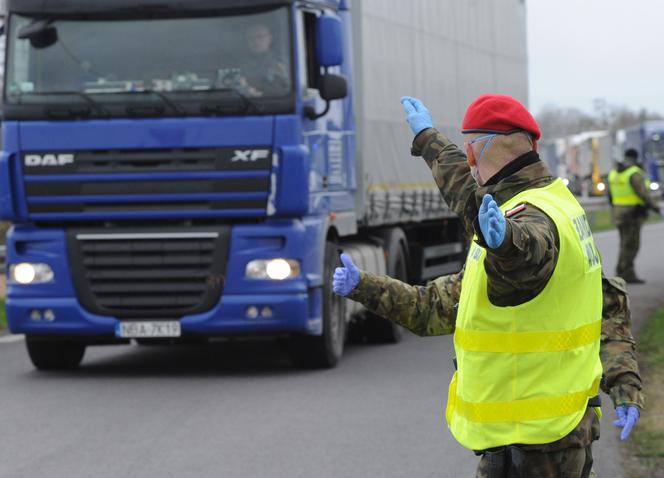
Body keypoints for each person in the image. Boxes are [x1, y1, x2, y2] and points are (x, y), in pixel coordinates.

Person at [333, 94, 644, 477]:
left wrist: (506, 245)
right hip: (557, 433)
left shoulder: (528, 218)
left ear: (477, 151)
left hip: (534, 444)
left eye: (469, 151)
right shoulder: (559, 203)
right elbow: (434, 306)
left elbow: (526, 252)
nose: (466, 163)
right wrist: (362, 286)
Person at [607, 148, 661, 283]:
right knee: (631, 245)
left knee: (624, 244)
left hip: (618, 213)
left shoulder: (614, 172)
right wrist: (656, 208)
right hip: (632, 214)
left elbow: (609, 194)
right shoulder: (634, 173)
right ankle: (627, 274)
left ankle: (621, 271)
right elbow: (643, 194)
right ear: (636, 158)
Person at [227, 22, 289, 98]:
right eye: (251, 38)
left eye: (260, 37)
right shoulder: (239, 64)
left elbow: (288, 90)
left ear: (270, 38)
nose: (256, 41)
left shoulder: (284, 61)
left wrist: (283, 76)